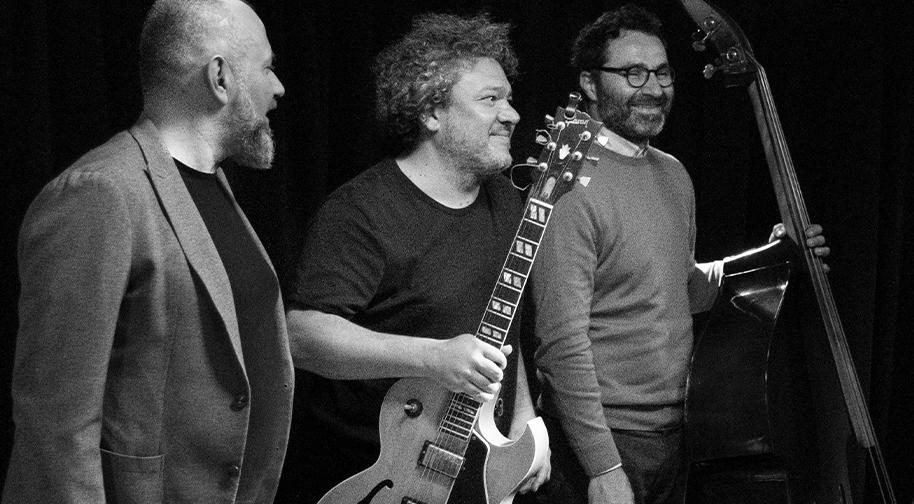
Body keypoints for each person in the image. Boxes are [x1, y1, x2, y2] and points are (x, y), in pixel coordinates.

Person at [529, 4, 830, 504]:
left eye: (662, 72)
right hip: (601, 444)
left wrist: (775, 256)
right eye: (633, 73)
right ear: (589, 83)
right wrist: (602, 467)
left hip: (676, 435)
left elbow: (682, 287)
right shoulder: (569, 185)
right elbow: (560, 343)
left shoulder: (673, 174)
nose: (653, 88)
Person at [2, 1, 292, 502]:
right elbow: (55, 430)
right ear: (220, 77)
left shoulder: (214, 186)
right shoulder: (99, 192)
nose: (279, 87)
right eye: (266, 67)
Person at [284, 12, 549, 503]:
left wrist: (522, 420)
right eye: (490, 99)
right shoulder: (362, 210)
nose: (512, 114)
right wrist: (432, 357)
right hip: (372, 478)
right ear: (431, 113)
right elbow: (304, 337)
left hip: (470, 471)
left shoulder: (505, 201)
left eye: (509, 99)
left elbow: (504, 329)